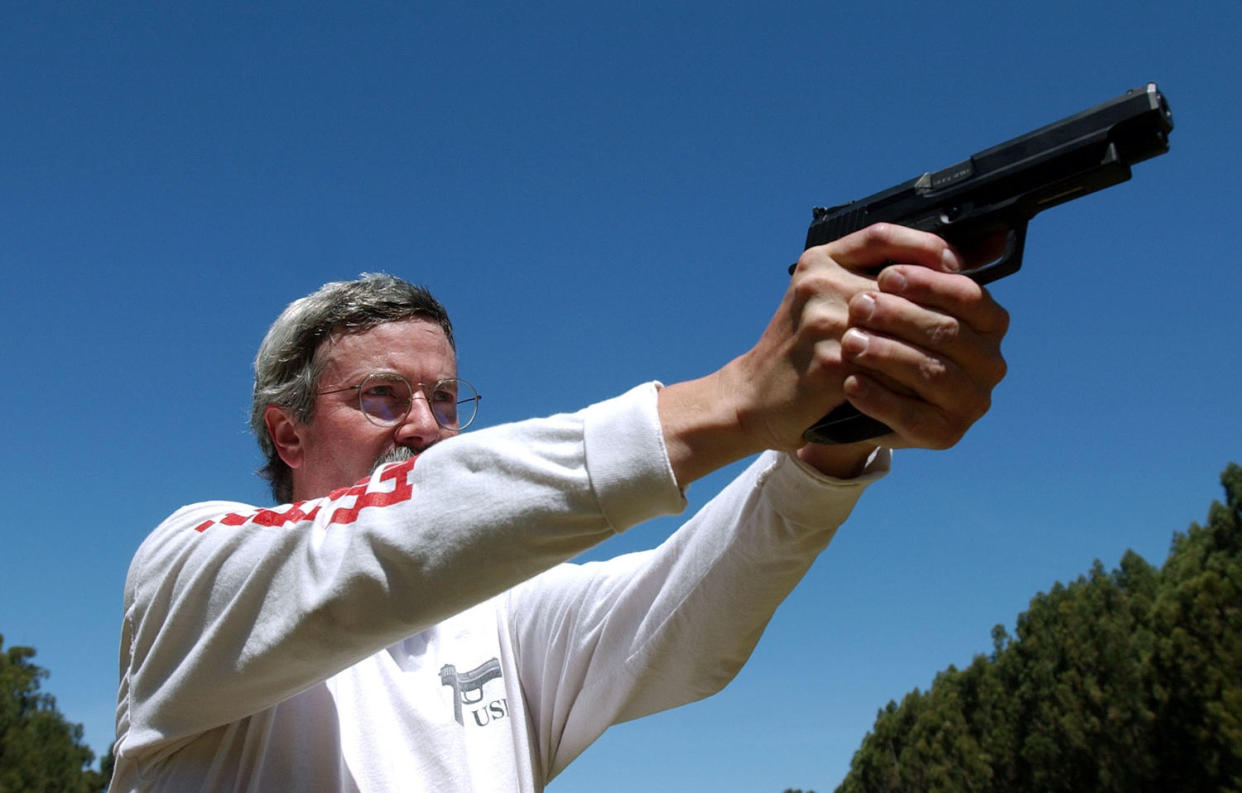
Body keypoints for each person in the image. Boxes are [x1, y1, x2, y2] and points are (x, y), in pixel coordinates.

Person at [109, 223, 1009, 792]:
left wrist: (829, 438)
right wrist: (736, 400)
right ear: (288, 433)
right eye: (383, 395)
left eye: (447, 399)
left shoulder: (491, 625)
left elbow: (684, 615)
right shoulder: (189, 570)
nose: (428, 427)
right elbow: (392, 537)